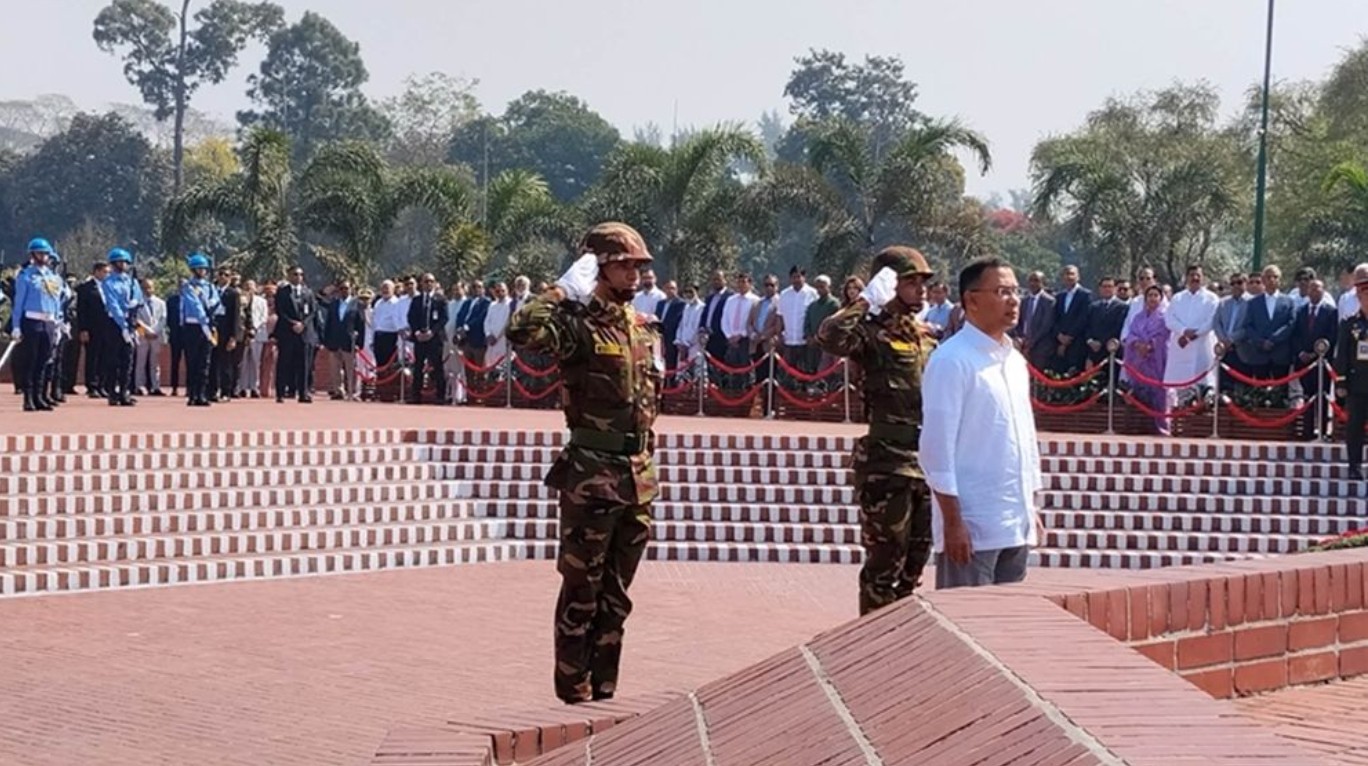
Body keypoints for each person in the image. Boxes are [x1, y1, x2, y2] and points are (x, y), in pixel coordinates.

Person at [505, 222, 662, 705]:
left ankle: (605, 693)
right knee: (582, 594)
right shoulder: (575, 324)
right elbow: (521, 331)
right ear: (597, 267)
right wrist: (559, 289)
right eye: (624, 264)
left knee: (617, 597)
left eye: (639, 265)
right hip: (592, 477)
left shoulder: (643, 328)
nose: (634, 274)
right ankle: (573, 693)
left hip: (637, 475)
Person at [817, 246, 937, 615]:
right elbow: (830, 337)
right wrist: (867, 300)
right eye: (911, 281)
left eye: (924, 282)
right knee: (884, 564)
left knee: (914, 565)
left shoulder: (927, 337)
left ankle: (900, 643)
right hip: (887, 463)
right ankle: (873, 646)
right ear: (890, 284)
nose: (922, 289)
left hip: (927, 463)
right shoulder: (869, 334)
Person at [920, 257, 1043, 590]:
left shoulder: (1015, 361)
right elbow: (935, 451)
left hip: (1013, 521)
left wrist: (1029, 506)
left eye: (1015, 291)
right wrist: (953, 522)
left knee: (1004, 631)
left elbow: (1024, 439)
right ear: (971, 300)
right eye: (1002, 291)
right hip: (973, 527)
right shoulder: (951, 361)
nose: (1014, 300)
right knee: (966, 627)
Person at [10, 238, 64, 412]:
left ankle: (39, 396)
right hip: (31, 321)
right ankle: (28, 398)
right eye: (40, 253)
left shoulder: (54, 277)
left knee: (44, 361)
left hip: (49, 321)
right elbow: (19, 303)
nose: (44, 256)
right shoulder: (26, 276)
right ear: (33, 255)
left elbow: (57, 301)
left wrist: (58, 323)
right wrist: (16, 326)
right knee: (30, 361)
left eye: (46, 254)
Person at [99, 248, 144, 407]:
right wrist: (123, 325)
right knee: (113, 359)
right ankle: (112, 392)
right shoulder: (108, 282)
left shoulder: (132, 282)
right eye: (120, 262)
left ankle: (125, 391)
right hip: (114, 324)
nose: (123, 264)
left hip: (130, 321)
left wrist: (134, 307)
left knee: (128, 359)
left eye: (125, 262)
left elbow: (139, 299)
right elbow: (112, 305)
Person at [1335, 266, 1368, 479]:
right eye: (1363, 291)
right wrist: (1341, 382)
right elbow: (1342, 356)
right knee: (1355, 426)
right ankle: (1354, 465)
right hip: (1357, 384)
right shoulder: (1350, 324)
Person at [1126, 286, 1172, 435]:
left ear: (1161, 298)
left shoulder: (1165, 316)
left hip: (1156, 360)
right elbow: (1131, 334)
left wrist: (1150, 345)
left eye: (1155, 295)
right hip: (1139, 362)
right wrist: (1137, 344)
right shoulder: (1138, 317)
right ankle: (1138, 427)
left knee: (1158, 394)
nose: (1152, 298)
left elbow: (1163, 336)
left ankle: (1162, 427)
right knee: (1139, 392)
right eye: (1150, 296)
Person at [179, 253, 221, 407]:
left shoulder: (210, 287)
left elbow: (217, 301)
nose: (202, 271)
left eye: (204, 269)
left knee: (205, 362)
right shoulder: (188, 286)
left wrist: (212, 304)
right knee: (193, 361)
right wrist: (204, 319)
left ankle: (202, 394)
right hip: (194, 326)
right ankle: (192, 394)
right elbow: (195, 306)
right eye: (199, 268)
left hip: (208, 326)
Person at [273, 265, 319, 403]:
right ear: (289, 276)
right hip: (287, 332)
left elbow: (313, 311)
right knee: (284, 363)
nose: (298, 277)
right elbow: (280, 311)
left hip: (304, 333)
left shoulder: (308, 293)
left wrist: (303, 324)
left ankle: (303, 393)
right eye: (295, 274)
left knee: (304, 364)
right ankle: (281, 392)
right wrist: (293, 324)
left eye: (300, 274)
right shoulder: (282, 292)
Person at [406, 273, 448, 404]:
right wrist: (417, 332)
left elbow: (444, 318)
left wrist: (432, 332)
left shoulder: (441, 299)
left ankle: (440, 396)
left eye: (431, 281)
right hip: (420, 338)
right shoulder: (417, 300)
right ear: (421, 284)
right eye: (426, 281)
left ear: (435, 283)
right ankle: (416, 396)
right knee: (418, 367)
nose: (428, 284)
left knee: (437, 367)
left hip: (434, 339)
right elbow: (411, 317)